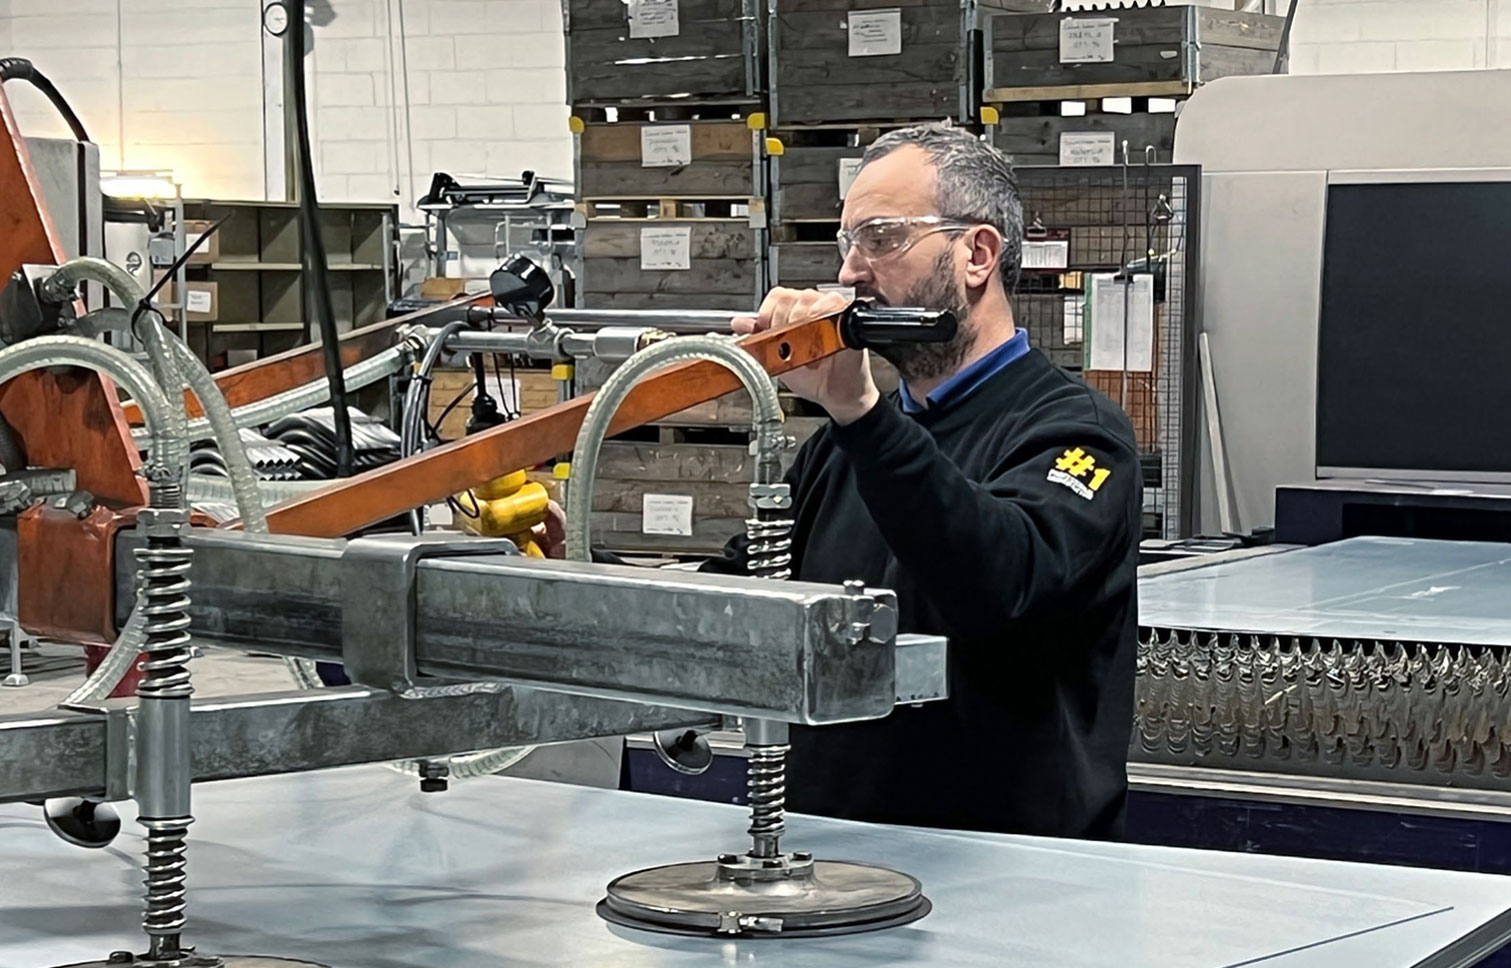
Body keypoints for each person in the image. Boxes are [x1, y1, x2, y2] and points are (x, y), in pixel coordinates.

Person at [544, 123, 1141, 840]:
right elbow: (732, 598)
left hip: (1010, 870)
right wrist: (575, 567)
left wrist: (859, 414)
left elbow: (998, 582)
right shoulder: (845, 448)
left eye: (882, 239)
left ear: (976, 253)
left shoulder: (1075, 434)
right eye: (846, 243)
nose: (851, 274)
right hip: (837, 864)